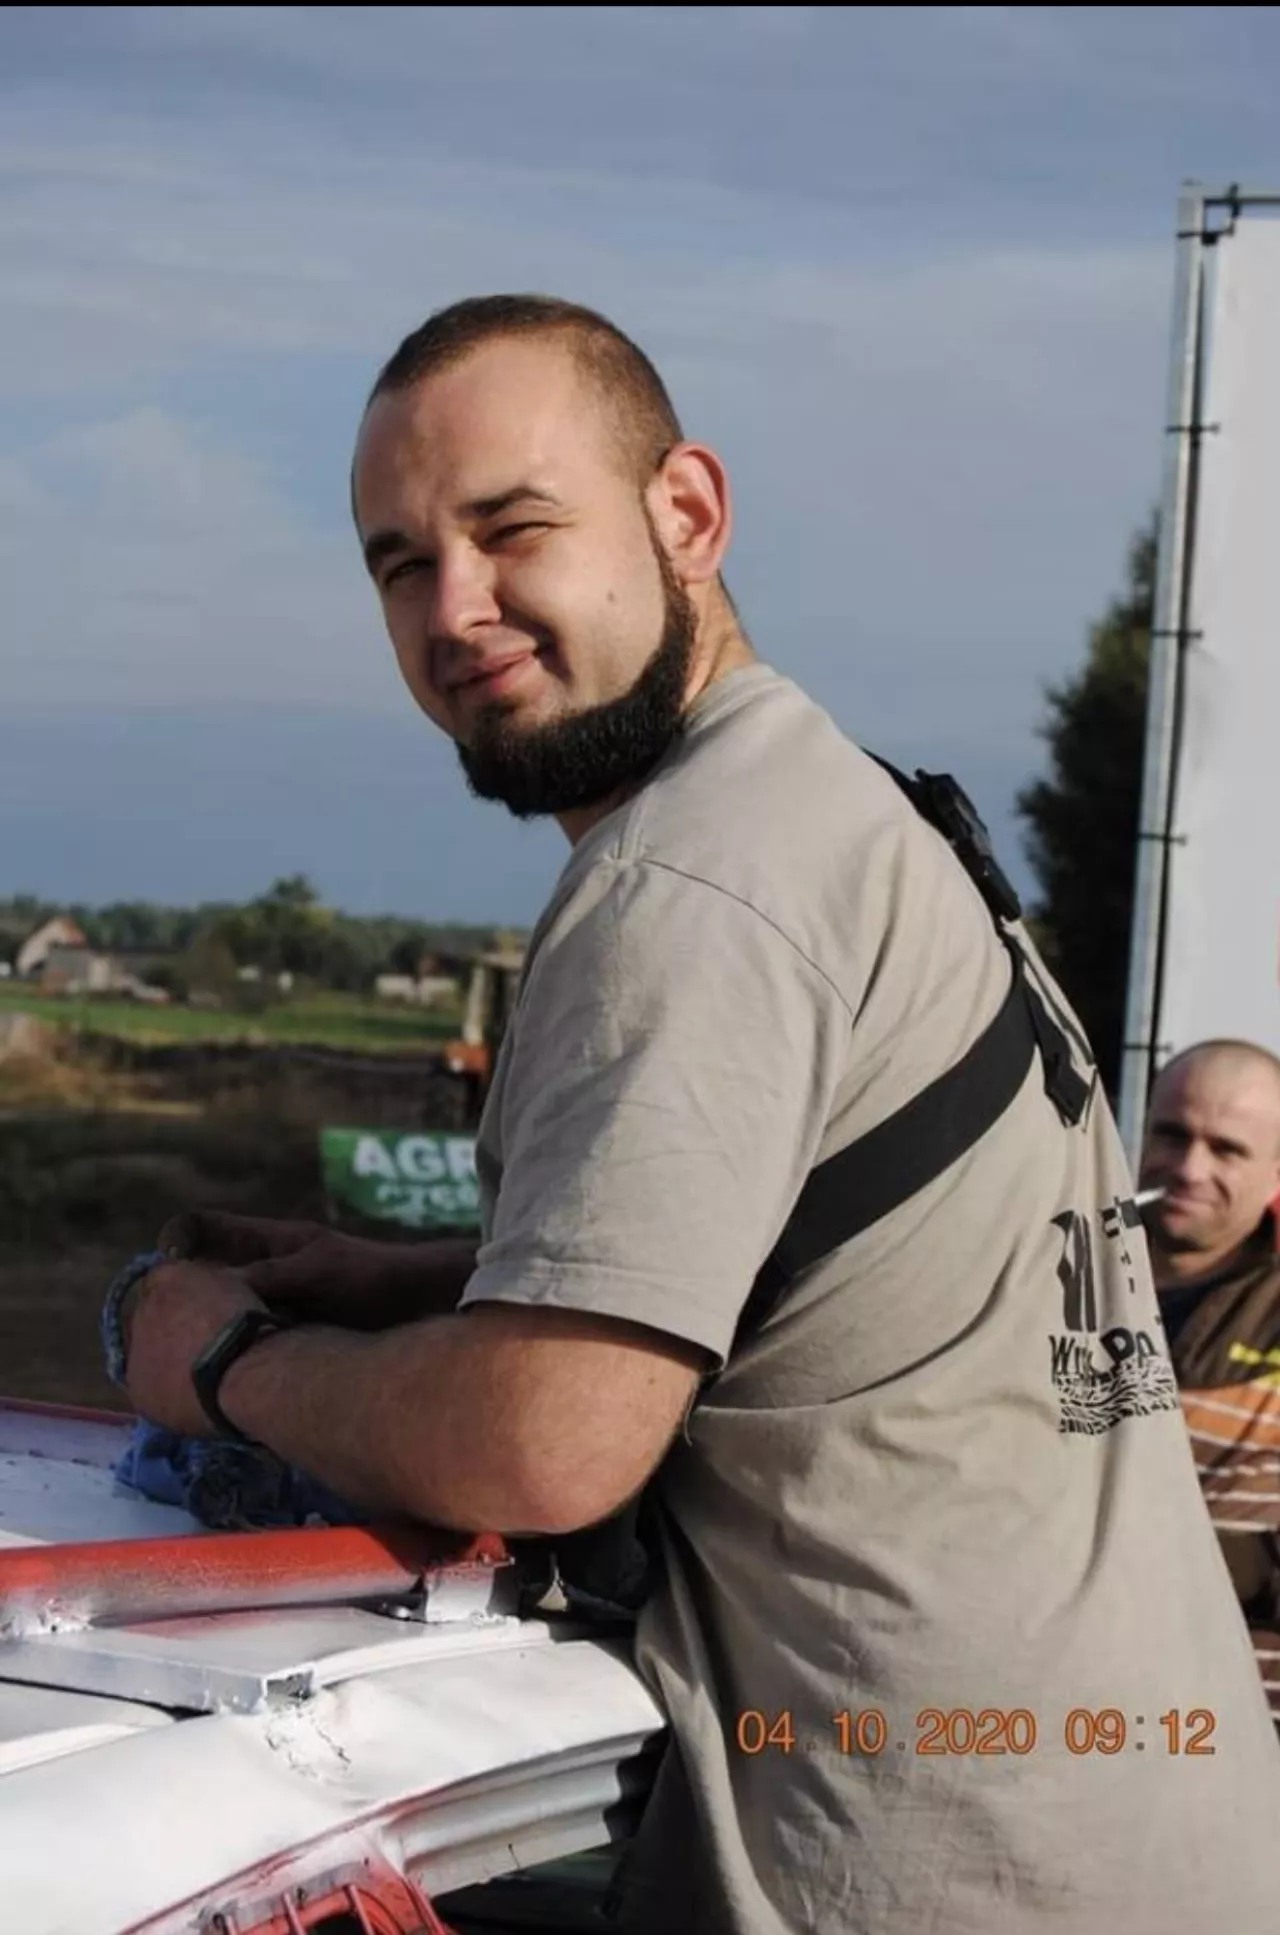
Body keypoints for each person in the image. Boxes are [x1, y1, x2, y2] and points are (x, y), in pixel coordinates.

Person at [119, 295, 1280, 1934]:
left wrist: (223, 1359)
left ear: (686, 512)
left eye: (514, 527)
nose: (455, 606)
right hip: (1152, 1820)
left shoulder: (691, 882)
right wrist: (419, 1282)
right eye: (400, 563)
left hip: (934, 1871)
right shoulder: (862, 818)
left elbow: (545, 1442)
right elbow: (841, 1279)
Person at [1139, 1038, 1280, 1722]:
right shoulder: (1048, 1273)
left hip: (1245, 1719)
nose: (1190, 1168)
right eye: (1172, 1135)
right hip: (1064, 1718)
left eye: (1227, 1149)